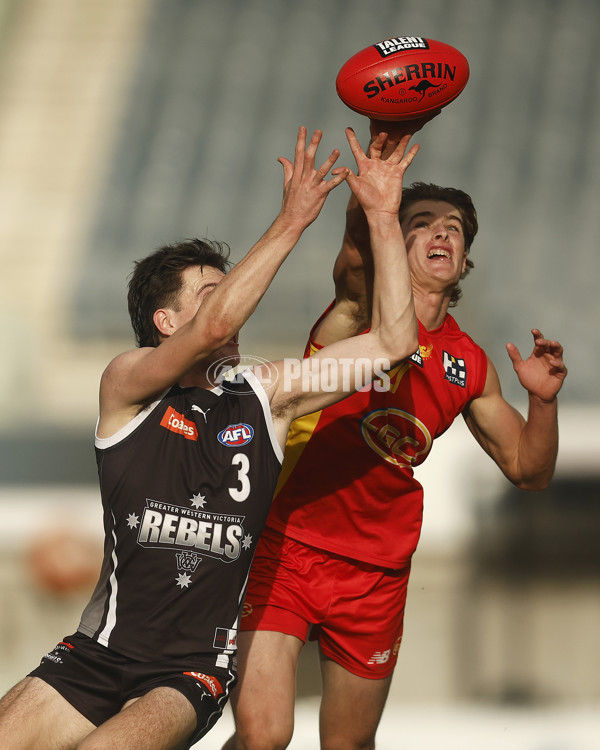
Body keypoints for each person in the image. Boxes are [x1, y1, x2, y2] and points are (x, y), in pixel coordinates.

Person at [0, 125, 421, 750]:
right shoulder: (127, 385)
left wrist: (384, 215)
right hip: (95, 655)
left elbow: (393, 343)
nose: (233, 310)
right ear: (165, 322)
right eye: (211, 292)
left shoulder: (267, 396)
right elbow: (215, 324)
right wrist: (292, 220)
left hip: (187, 672)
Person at [223, 120, 568, 750]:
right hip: (290, 542)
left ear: (464, 258)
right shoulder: (357, 309)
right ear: (395, 239)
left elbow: (530, 470)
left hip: (379, 570)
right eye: (423, 221)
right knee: (264, 735)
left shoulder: (471, 364)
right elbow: (357, 250)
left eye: (454, 228)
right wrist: (375, 196)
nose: (441, 231)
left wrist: (541, 404)